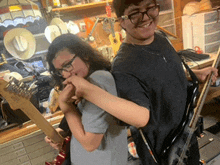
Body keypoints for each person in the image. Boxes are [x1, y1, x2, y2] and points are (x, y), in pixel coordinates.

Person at [60, 0, 219, 165]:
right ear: (122, 21)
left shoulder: (160, 38)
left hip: (186, 134)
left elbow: (161, 74)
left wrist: (196, 74)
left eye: (150, 8)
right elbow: (141, 118)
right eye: (135, 13)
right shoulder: (124, 65)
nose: (145, 17)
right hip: (166, 154)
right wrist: (87, 91)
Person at [44, 33, 128, 165]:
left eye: (68, 64)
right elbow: (85, 122)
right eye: (60, 70)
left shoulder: (97, 80)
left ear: (85, 55)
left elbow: (90, 143)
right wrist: (63, 131)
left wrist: (64, 104)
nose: (66, 74)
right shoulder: (85, 83)